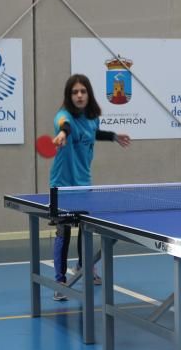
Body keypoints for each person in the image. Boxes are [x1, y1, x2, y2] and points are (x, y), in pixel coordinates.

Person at [50, 74, 131, 301]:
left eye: (83, 91)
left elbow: (92, 132)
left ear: (88, 94)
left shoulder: (92, 118)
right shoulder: (63, 116)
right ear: (69, 95)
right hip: (63, 185)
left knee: (84, 228)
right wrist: (63, 133)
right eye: (75, 92)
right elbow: (63, 125)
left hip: (83, 183)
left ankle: (83, 266)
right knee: (63, 232)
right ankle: (59, 281)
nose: (79, 95)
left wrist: (114, 136)